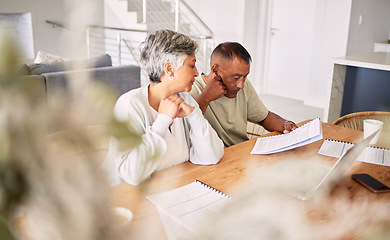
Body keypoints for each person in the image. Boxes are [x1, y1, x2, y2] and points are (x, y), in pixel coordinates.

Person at [103, 29, 224, 185]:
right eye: (192, 65)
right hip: (126, 196)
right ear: (169, 69)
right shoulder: (130, 105)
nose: (196, 73)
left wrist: (194, 116)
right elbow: (131, 175)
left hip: (175, 189)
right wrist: (163, 121)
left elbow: (212, 156)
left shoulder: (185, 99)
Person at [190, 42, 298, 147]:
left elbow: (264, 117)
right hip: (212, 159)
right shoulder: (193, 90)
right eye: (235, 78)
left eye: (245, 76)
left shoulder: (243, 85)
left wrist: (285, 124)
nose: (241, 85)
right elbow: (188, 130)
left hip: (241, 153)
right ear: (215, 70)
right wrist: (206, 98)